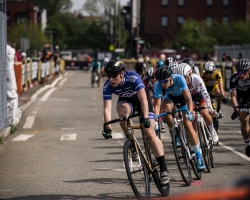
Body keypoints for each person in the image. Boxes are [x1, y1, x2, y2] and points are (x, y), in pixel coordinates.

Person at [102, 59, 170, 185]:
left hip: (142, 101)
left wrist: (145, 118)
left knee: (149, 133)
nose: (111, 79)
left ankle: (164, 168)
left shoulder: (133, 77)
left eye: (114, 76)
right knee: (121, 114)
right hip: (127, 102)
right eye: (108, 76)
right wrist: (108, 127)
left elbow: (144, 99)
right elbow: (107, 108)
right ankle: (132, 143)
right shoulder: (107, 85)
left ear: (122, 73)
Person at [154, 65, 206, 171]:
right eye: (160, 82)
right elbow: (157, 105)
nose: (163, 84)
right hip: (170, 98)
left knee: (187, 125)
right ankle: (175, 131)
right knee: (165, 110)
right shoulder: (158, 85)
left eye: (165, 81)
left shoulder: (179, 78)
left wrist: (190, 112)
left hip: (183, 99)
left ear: (171, 77)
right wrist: (155, 120)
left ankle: (198, 155)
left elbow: (188, 99)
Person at [175, 63, 219, 143]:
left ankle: (212, 130)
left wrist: (210, 108)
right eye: (180, 78)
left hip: (200, 97)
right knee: (193, 120)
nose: (183, 80)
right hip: (190, 100)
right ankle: (197, 144)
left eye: (184, 77)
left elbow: (205, 94)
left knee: (204, 112)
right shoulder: (180, 83)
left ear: (189, 74)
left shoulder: (196, 78)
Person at [230, 59, 250, 157]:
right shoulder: (234, 78)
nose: (241, 74)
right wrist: (236, 109)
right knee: (244, 119)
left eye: (244, 72)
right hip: (241, 96)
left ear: (249, 70)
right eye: (239, 72)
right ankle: (247, 144)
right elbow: (233, 95)